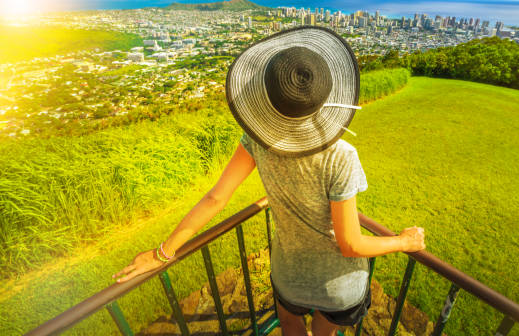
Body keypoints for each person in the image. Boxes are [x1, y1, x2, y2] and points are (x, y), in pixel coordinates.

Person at [113, 26, 426, 336]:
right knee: (325, 332)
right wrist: (404, 241)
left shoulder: (257, 139)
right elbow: (351, 244)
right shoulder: (340, 155)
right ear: (325, 93)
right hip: (338, 286)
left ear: (270, 95)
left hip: (289, 277)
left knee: (290, 326)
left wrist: (162, 253)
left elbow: (216, 199)